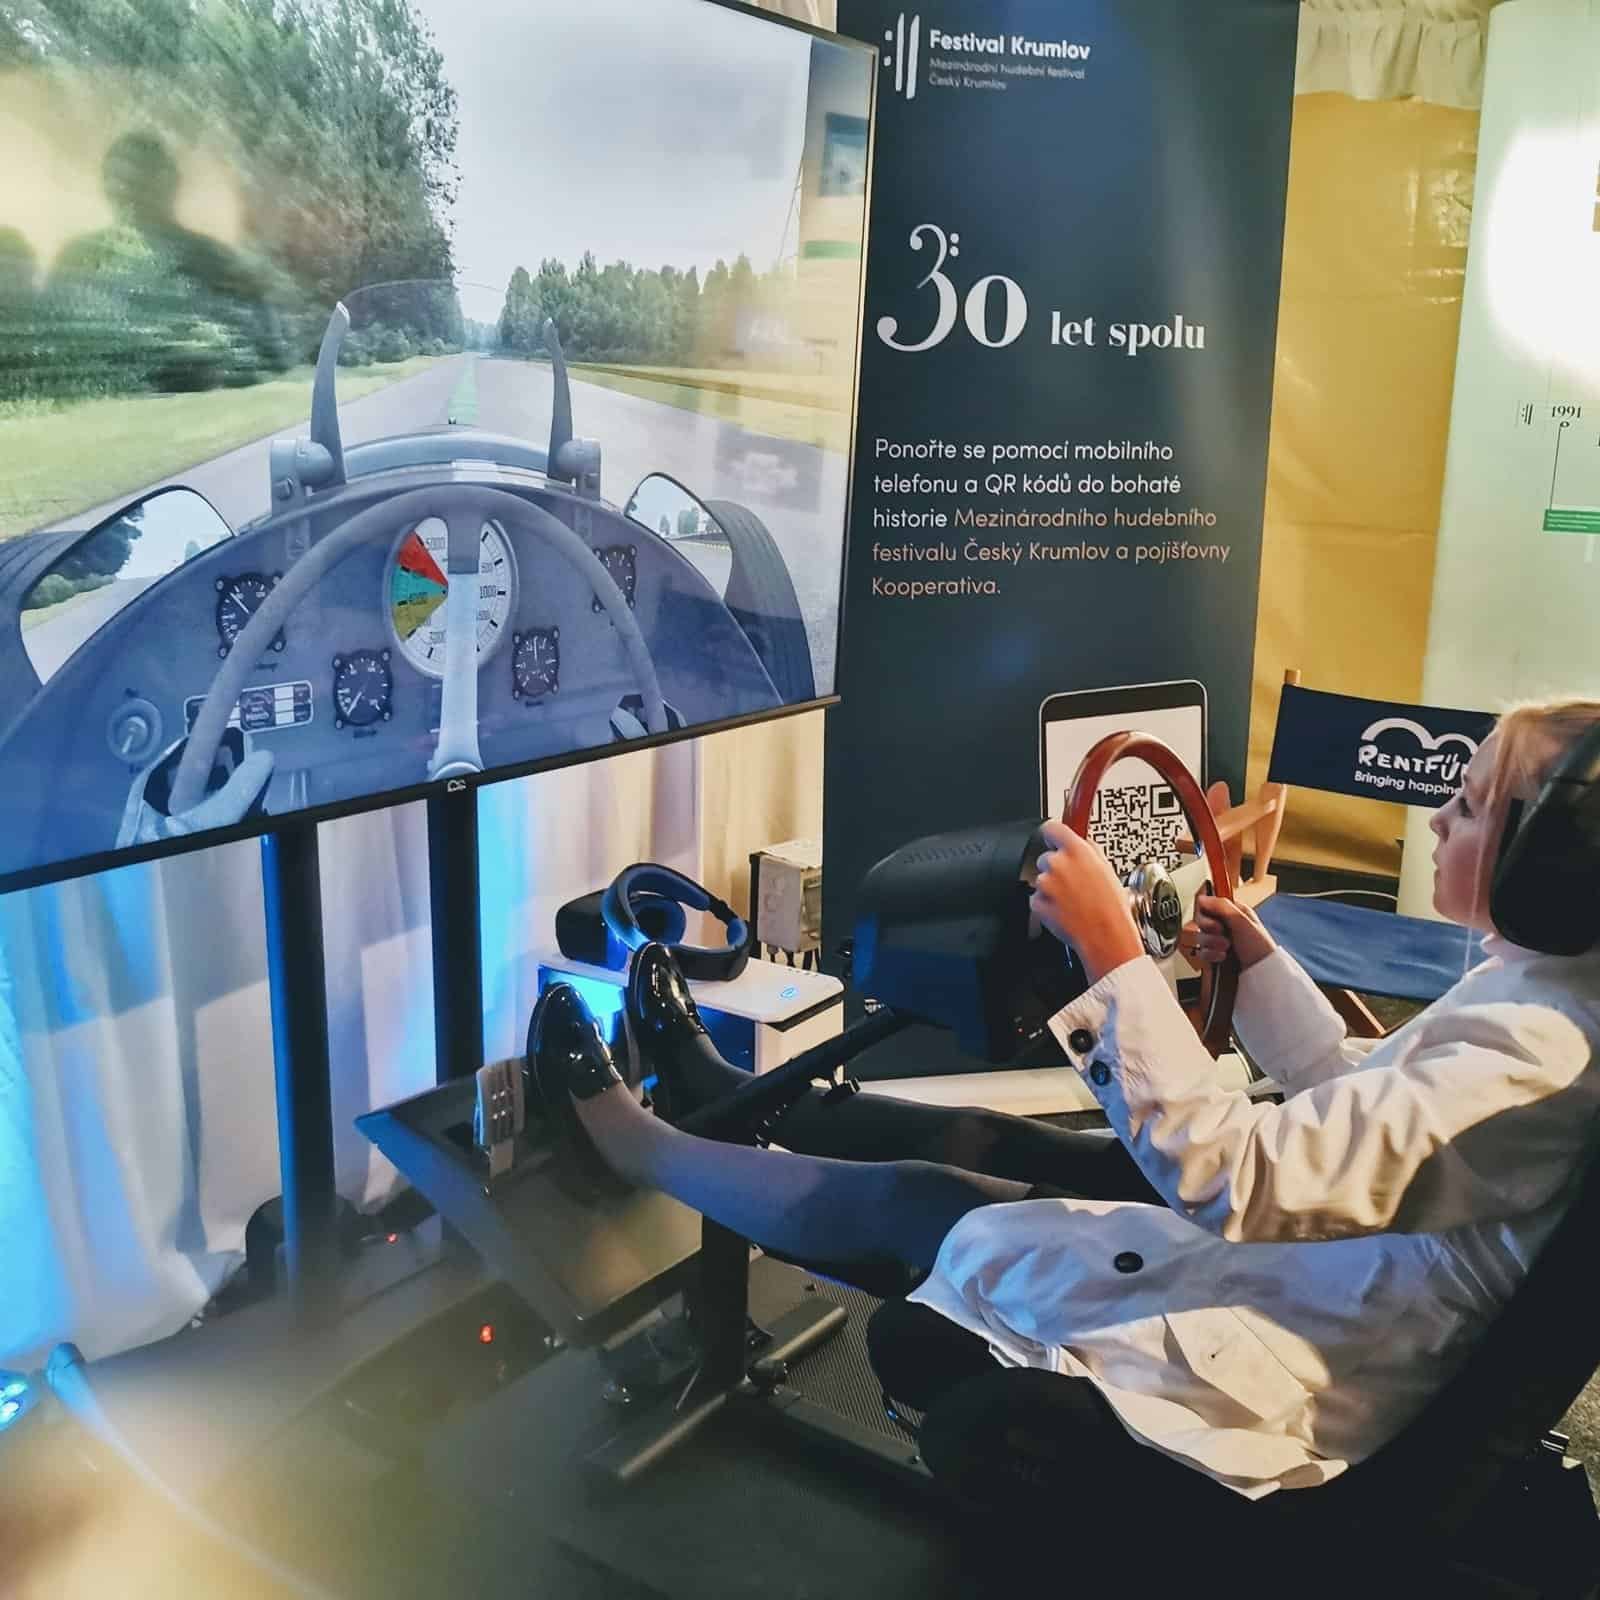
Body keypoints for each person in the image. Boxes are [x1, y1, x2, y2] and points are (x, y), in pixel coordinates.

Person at [526, 698, 1600, 1513]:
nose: (1436, 821)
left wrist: (1112, 952)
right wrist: (1260, 970)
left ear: (1547, 868)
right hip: (1320, 1270)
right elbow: (1367, 1107)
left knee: (925, 1201)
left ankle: (634, 1146)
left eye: (1468, 808)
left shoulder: (1532, 1048)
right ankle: (714, 1094)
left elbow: (1233, 1176)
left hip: (1286, 1349)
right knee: (994, 1145)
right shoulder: (1546, 996)